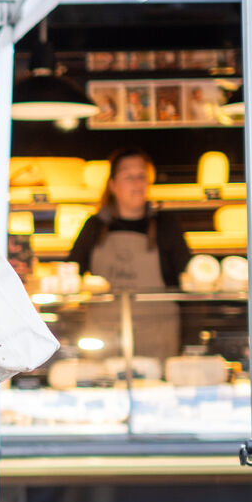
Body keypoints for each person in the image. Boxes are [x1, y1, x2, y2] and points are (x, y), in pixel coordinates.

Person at [66, 148, 191, 360]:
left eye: (141, 176)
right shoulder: (94, 226)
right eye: (128, 177)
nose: (137, 183)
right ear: (112, 185)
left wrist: (190, 341)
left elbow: (189, 284)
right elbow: (70, 276)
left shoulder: (166, 225)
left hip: (158, 337)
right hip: (104, 338)